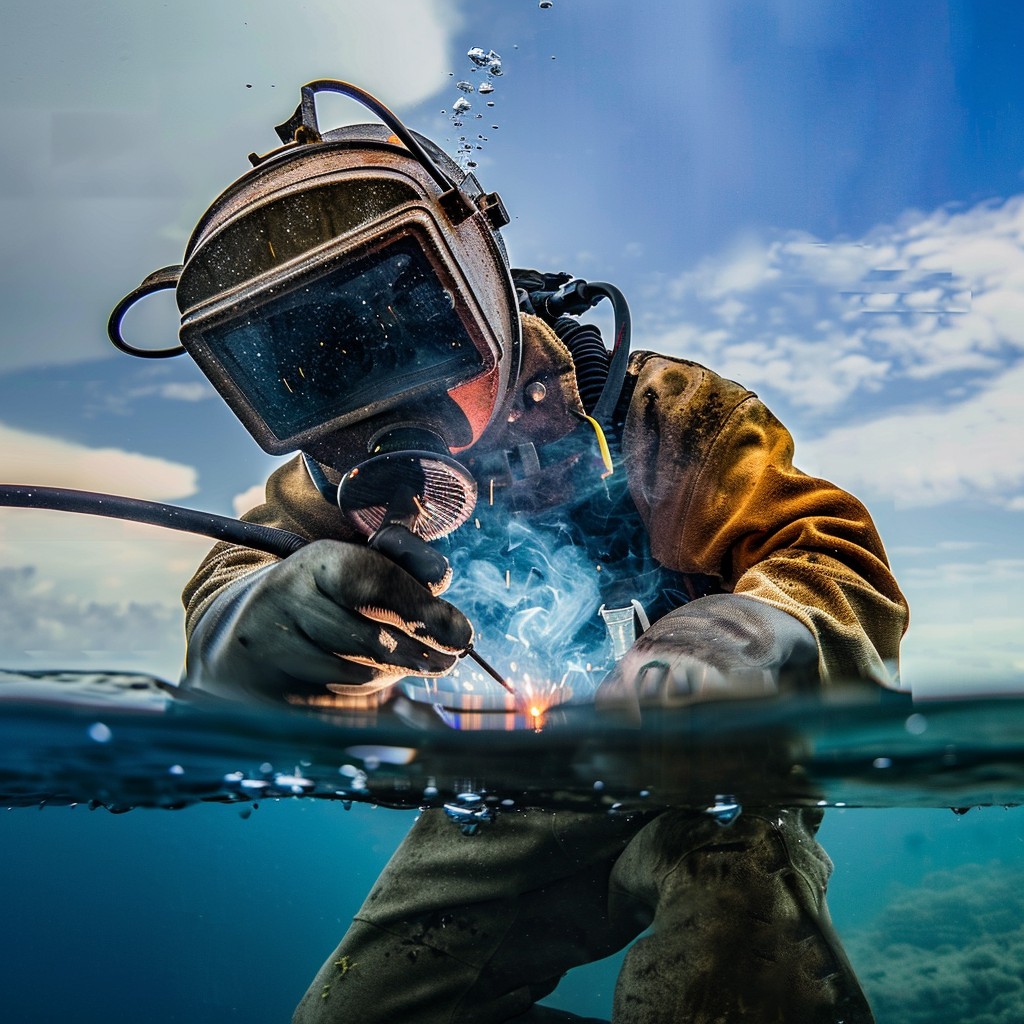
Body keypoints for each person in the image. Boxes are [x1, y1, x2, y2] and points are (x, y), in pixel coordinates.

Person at [117, 81, 908, 1022]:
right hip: (516, 786)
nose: (375, 405)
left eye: (412, 326)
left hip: (704, 759)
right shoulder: (328, 487)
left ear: (481, 284)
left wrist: (755, 630)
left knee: (735, 906)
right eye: (316, 371)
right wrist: (247, 624)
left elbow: (826, 549)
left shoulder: (660, 415)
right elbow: (239, 570)